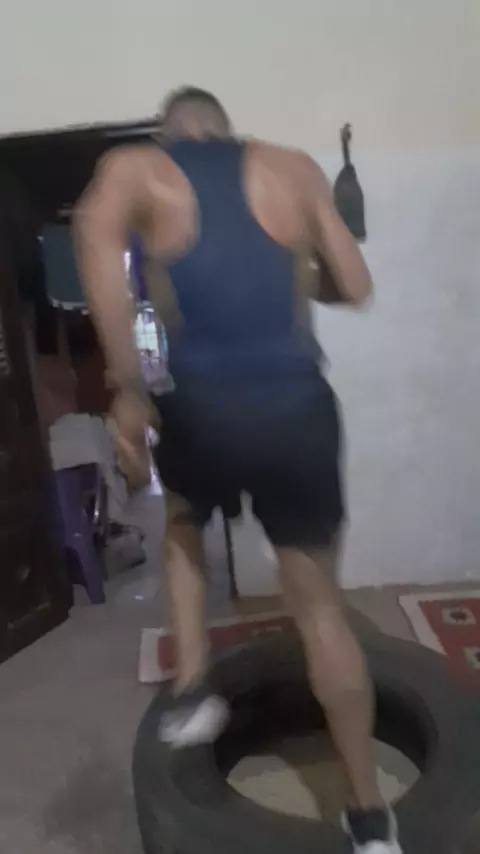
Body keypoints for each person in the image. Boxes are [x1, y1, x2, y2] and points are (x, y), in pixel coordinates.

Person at [73, 87, 402, 854]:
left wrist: (127, 387)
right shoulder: (294, 169)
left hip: (203, 411)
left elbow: (91, 233)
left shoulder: (136, 167)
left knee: (182, 527)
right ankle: (369, 819)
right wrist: (298, 275)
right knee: (320, 611)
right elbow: (355, 286)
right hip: (298, 410)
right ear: (226, 127)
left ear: (169, 132)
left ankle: (195, 692)